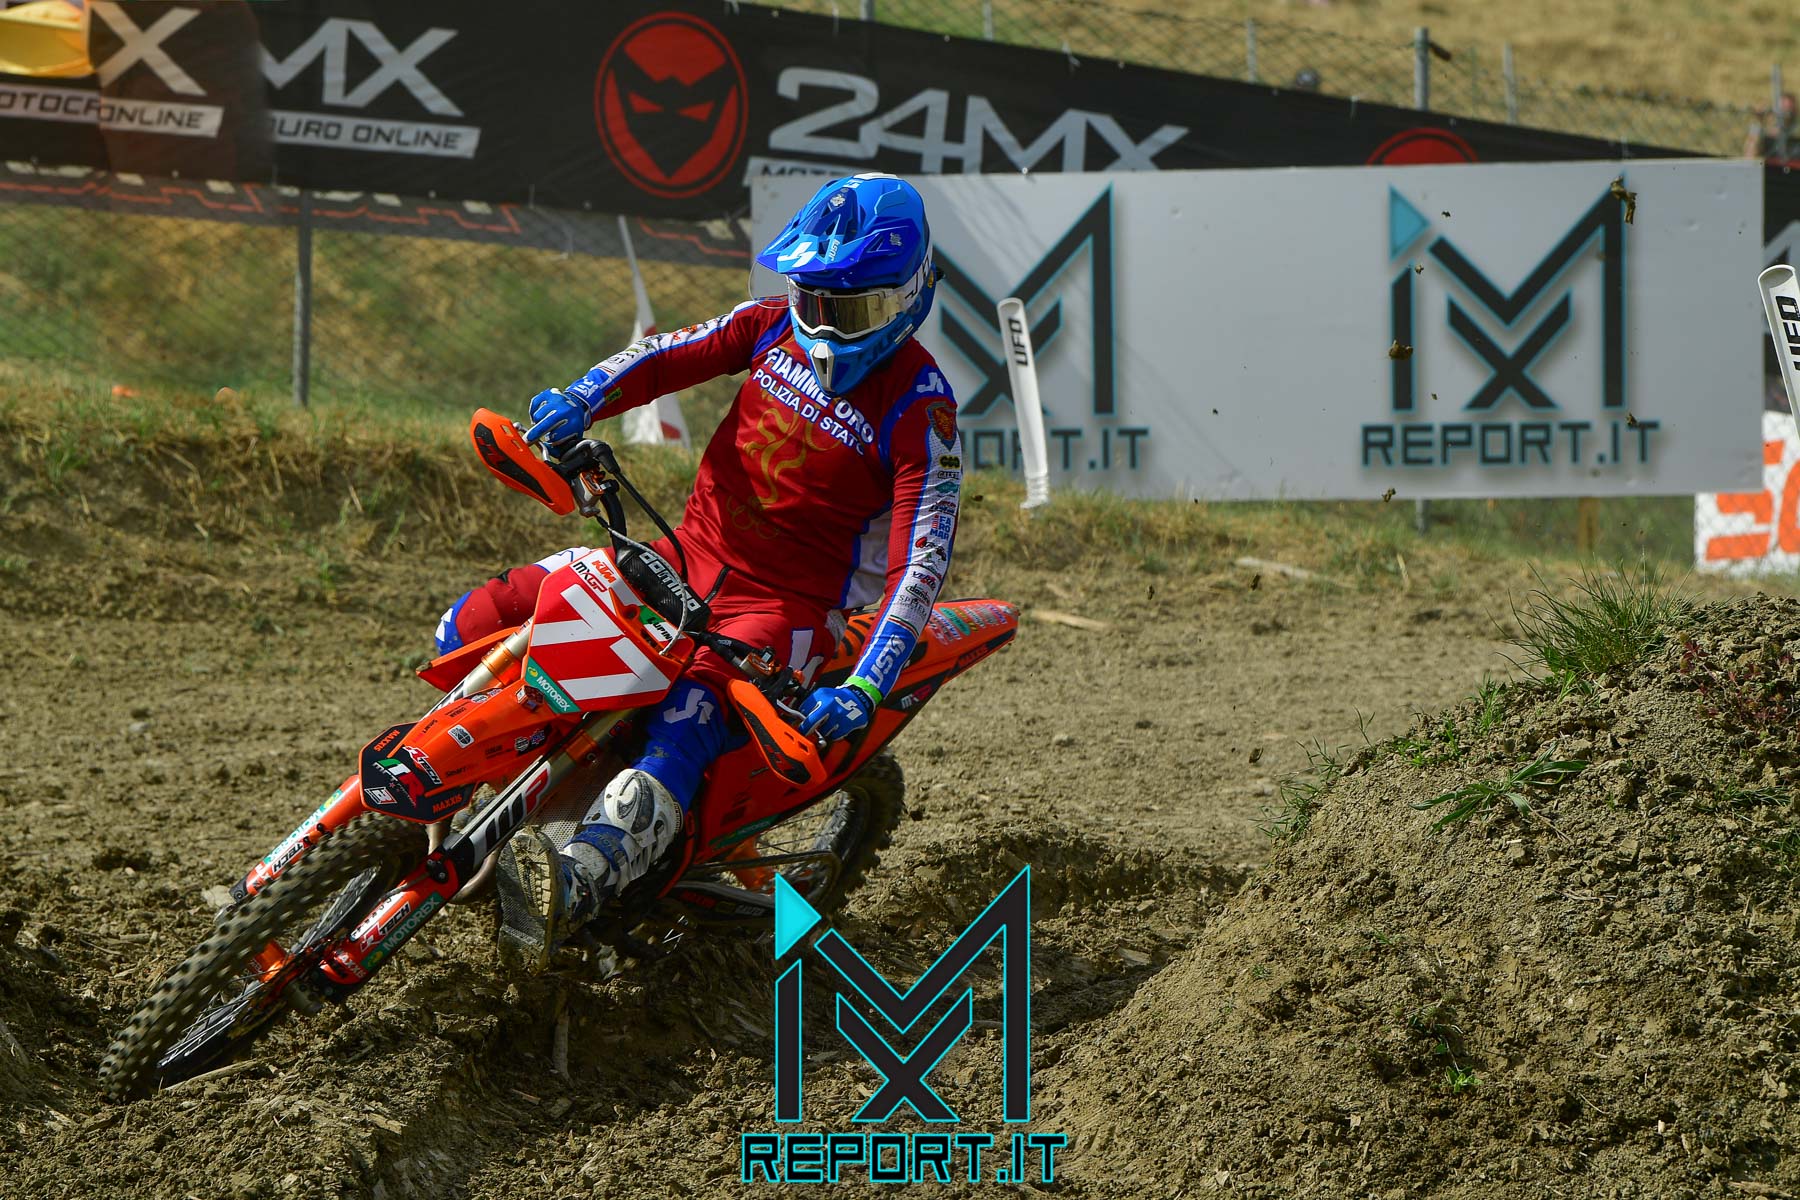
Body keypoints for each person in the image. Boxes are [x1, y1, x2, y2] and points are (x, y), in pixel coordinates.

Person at [433, 173, 962, 944]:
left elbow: (921, 564)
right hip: (683, 552)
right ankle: (469, 780)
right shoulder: (770, 325)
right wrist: (581, 398)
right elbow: (664, 355)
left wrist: (865, 685)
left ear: (904, 298)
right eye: (811, 299)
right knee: (489, 614)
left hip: (786, 608)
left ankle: (575, 884)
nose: (821, 325)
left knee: (692, 714)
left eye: (847, 310)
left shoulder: (922, 408)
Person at [1744, 91, 1797, 160]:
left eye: (1789, 108)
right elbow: (1750, 152)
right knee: (1753, 139)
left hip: (1792, 161)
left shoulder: (1795, 127)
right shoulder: (1765, 128)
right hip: (1769, 161)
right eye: (1783, 108)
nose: (1785, 112)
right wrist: (1759, 121)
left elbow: (1787, 131)